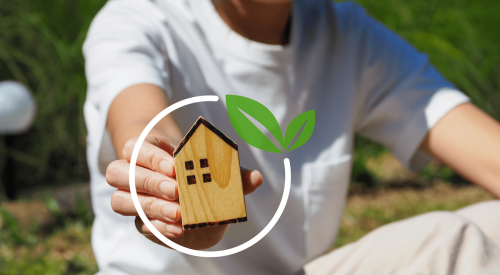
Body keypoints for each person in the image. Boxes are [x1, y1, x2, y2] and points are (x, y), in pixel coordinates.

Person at [83, 0, 500, 274]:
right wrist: (167, 186)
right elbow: (140, 120)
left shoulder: (345, 31)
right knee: (451, 241)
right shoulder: (137, 19)